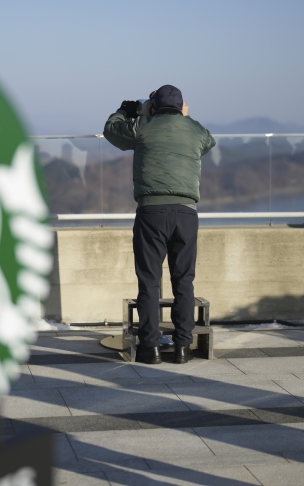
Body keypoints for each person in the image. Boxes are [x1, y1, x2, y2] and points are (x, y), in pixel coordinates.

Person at [103, 85, 215, 364]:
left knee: (149, 282)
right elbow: (208, 142)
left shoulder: (142, 126)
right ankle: (182, 348)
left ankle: (150, 348)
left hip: (151, 212)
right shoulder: (195, 130)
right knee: (184, 281)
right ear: (181, 108)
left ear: (153, 108)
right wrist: (185, 119)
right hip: (186, 214)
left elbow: (111, 129)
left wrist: (126, 111)